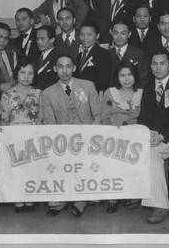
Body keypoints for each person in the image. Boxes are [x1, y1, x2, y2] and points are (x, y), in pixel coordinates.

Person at [40, 54, 101, 217]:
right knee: (60, 158)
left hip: (88, 136)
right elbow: (48, 121)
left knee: (86, 157)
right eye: (60, 67)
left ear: (74, 68)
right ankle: (63, 198)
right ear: (55, 69)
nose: (65, 71)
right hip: (63, 139)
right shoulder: (47, 93)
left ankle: (81, 200)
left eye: (68, 66)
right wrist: (62, 139)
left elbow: (98, 114)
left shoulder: (88, 86)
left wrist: (92, 134)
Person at [0, 59, 42, 211]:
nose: (26, 76)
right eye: (22, 72)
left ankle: (30, 198)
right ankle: (17, 198)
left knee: (34, 155)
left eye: (30, 73)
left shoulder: (39, 94)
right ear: (16, 75)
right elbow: (2, 119)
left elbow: (43, 119)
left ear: (34, 76)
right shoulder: (7, 94)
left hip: (34, 136)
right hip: (13, 137)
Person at [135, 49, 169, 224]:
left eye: (162, 63)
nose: (158, 68)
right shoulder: (149, 87)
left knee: (152, 153)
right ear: (150, 66)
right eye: (155, 64)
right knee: (138, 149)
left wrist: (162, 136)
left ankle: (161, 206)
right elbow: (143, 115)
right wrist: (147, 131)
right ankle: (137, 194)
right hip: (153, 135)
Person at [98, 61, 144, 214]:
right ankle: (113, 198)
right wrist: (111, 133)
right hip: (114, 136)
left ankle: (132, 193)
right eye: (122, 75)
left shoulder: (142, 93)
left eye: (129, 74)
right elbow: (104, 116)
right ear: (117, 77)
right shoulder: (110, 92)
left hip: (135, 137)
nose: (126, 79)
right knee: (112, 157)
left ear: (135, 76)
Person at [75, 21, 112, 93]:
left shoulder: (104, 54)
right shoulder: (80, 54)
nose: (85, 38)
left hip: (94, 95)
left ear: (97, 36)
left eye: (89, 35)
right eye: (82, 34)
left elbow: (104, 81)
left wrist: (83, 88)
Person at [109, 20, 149, 88]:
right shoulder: (107, 54)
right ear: (111, 33)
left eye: (123, 33)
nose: (119, 37)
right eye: (116, 33)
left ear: (129, 34)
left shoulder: (139, 54)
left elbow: (143, 80)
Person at [34, 25, 58, 90]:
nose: (39, 42)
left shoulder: (58, 58)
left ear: (52, 40)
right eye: (37, 39)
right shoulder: (34, 55)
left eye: (42, 38)